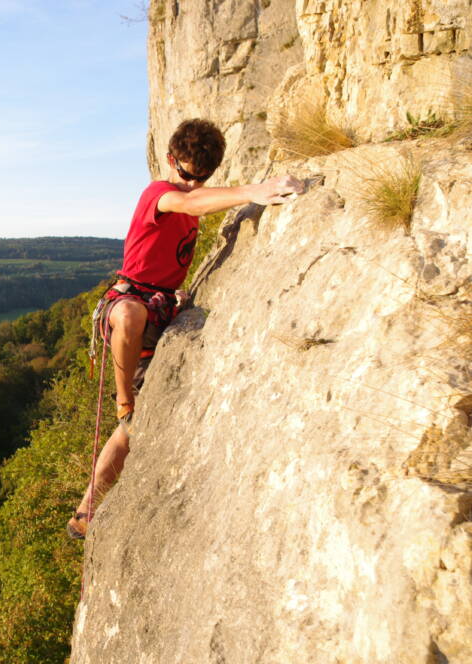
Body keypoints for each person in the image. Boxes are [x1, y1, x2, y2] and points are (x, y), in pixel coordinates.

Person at [67, 119, 303, 540]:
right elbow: (186, 202)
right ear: (171, 161)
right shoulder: (159, 193)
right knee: (129, 321)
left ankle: (85, 511)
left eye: (202, 178)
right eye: (187, 175)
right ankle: (123, 399)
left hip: (159, 308)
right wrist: (251, 192)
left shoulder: (193, 189)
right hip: (128, 302)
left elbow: (199, 199)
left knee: (131, 431)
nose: (193, 185)